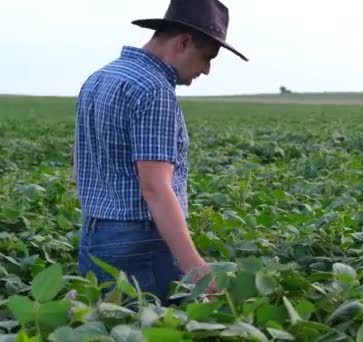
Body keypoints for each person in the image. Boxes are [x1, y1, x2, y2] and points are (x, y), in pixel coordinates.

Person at [73, 0, 248, 305]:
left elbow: (79, 168)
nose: (207, 70)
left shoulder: (98, 78)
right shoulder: (154, 91)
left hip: (94, 238)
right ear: (183, 42)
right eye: (207, 57)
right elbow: (155, 188)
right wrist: (195, 268)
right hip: (141, 245)